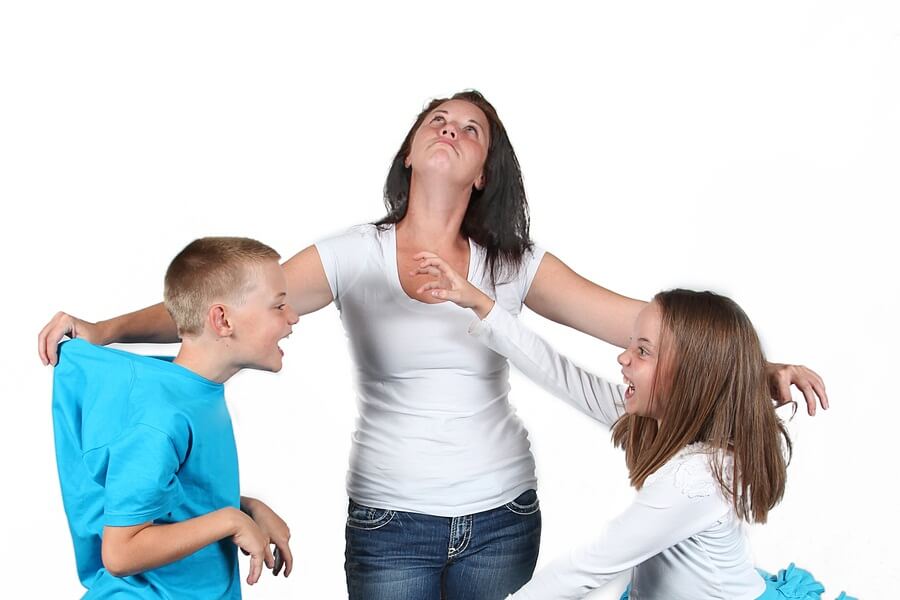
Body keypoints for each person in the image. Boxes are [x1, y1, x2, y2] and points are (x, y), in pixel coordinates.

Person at [38, 91, 828, 600]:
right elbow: (224, 303)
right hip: (389, 521)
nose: (451, 129)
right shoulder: (352, 254)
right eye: (436, 121)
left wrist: (754, 372)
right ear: (412, 152)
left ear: (485, 170)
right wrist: (105, 329)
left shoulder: (516, 265)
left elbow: (641, 329)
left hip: (501, 517)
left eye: (472, 128)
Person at [413, 252, 854, 599]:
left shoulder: (698, 477)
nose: (623, 358)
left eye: (643, 351)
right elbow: (559, 373)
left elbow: (589, 566)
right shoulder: (656, 422)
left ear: (691, 376)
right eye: (631, 345)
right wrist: (480, 303)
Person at [52, 237, 298, 598]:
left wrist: (246, 507)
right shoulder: (160, 418)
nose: (292, 316)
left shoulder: (195, 392)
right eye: (278, 306)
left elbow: (175, 495)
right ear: (222, 319)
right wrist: (228, 520)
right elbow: (121, 551)